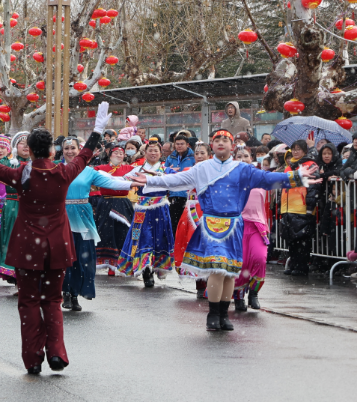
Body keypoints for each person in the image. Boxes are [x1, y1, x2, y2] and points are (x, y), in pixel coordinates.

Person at [0, 103, 112, 374]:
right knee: (52, 301)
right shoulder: (63, 173)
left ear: (28, 150)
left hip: (27, 247)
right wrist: (97, 130)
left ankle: (32, 358)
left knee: (29, 301)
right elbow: (85, 155)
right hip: (57, 247)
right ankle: (56, 352)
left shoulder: (20, 175)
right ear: (53, 151)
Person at [130, 129, 316, 331]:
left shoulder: (243, 169)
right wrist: (150, 180)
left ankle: (224, 313)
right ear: (212, 145)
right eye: (217, 139)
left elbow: (268, 179)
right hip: (211, 224)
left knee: (230, 272)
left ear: (232, 146)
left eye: (225, 140)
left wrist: (297, 176)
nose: (220, 143)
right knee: (217, 270)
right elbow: (176, 181)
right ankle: (213, 312)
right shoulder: (202, 168)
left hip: (234, 225)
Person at [59, 137, 132, 311]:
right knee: (64, 256)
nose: (70, 151)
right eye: (66, 148)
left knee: (83, 256)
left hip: (83, 216)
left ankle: (75, 293)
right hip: (61, 216)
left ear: (80, 150)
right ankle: (65, 292)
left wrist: (134, 183)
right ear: (62, 151)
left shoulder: (89, 171)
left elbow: (111, 183)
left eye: (73, 148)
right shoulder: (56, 168)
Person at [120, 141, 175, 287]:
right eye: (150, 150)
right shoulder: (137, 169)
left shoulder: (166, 169)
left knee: (160, 238)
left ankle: (157, 267)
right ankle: (146, 270)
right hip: (142, 209)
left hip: (161, 207)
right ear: (145, 153)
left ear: (160, 153)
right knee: (143, 237)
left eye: (156, 151)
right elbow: (123, 180)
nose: (153, 153)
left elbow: (177, 181)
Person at [234, 149, 268, 312]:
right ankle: (238, 296)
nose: (243, 159)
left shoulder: (261, 176)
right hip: (237, 225)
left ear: (252, 158)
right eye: (239, 156)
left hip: (257, 226)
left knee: (260, 259)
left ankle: (253, 293)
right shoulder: (230, 177)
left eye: (246, 156)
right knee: (240, 263)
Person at [93, 145, 134, 273]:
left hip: (123, 202)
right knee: (105, 233)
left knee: (123, 233)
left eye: (121, 153)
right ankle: (108, 264)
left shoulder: (130, 169)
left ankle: (123, 264)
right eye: (116, 153)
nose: (118, 155)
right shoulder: (100, 168)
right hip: (106, 202)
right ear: (110, 155)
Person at [281, 139, 317, 277]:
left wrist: (309, 207)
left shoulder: (310, 165)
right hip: (288, 207)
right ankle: (294, 264)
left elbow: (313, 188)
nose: (295, 151)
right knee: (291, 239)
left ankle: (302, 266)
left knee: (302, 240)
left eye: (298, 149)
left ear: (304, 150)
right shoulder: (289, 167)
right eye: (294, 149)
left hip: (301, 208)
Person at [165, 131, 195, 235]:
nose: (179, 146)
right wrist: (168, 170)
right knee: (173, 223)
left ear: (187, 145)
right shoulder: (171, 157)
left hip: (187, 195)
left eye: (182, 144)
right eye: (177, 144)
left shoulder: (193, 157)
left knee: (187, 223)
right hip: (173, 194)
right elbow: (164, 171)